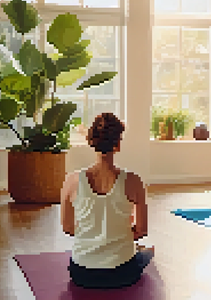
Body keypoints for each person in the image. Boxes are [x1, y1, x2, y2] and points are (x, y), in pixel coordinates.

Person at [60, 113, 154, 289]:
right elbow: (141, 230)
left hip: (81, 272)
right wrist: (117, 237)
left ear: (91, 141)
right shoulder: (134, 181)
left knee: (142, 253)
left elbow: (67, 228)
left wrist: (92, 238)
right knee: (147, 253)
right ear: (117, 144)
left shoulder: (71, 181)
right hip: (121, 272)